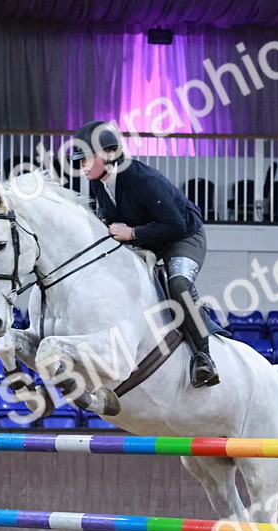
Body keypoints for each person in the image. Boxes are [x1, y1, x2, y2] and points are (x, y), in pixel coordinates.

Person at [68, 120, 220, 388]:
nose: (81, 164)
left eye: (87, 158)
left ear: (110, 154)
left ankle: (203, 358)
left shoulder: (143, 180)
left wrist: (133, 234)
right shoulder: (99, 183)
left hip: (183, 236)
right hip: (150, 238)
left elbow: (176, 225)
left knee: (178, 283)